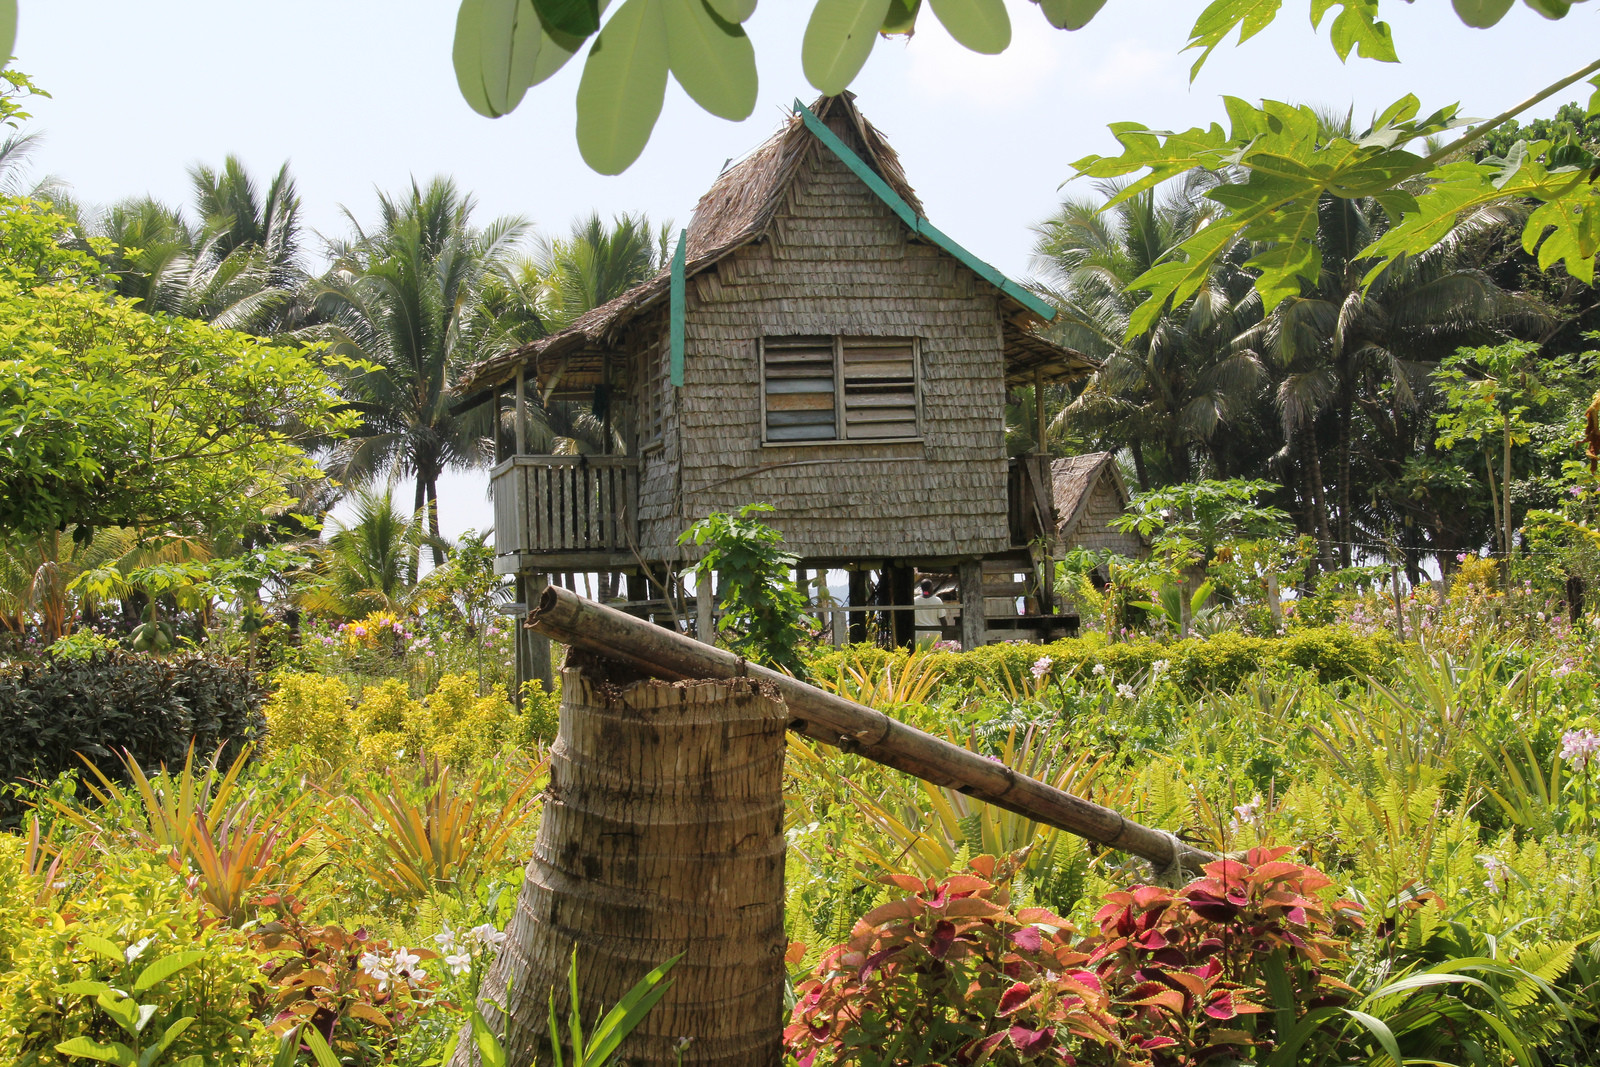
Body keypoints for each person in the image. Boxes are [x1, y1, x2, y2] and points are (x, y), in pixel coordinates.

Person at [913, 578, 946, 650]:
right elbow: (943, 620)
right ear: (931, 588)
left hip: (919, 633)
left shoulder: (914, 601)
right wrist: (944, 631)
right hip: (934, 634)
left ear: (921, 588)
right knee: (935, 656)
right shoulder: (937, 601)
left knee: (920, 655)